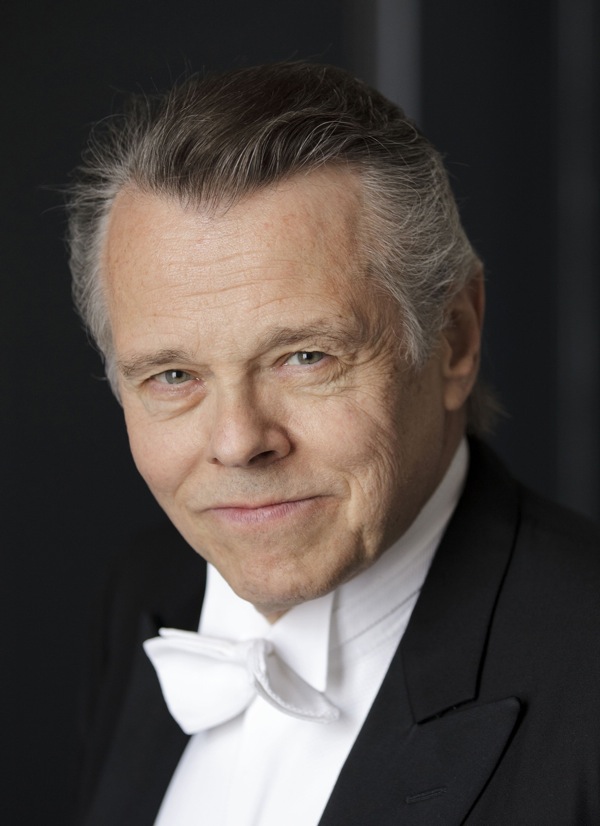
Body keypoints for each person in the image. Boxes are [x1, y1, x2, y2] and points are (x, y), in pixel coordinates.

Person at [68, 62, 600, 825]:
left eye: (305, 357)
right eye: (174, 375)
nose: (238, 442)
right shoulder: (145, 592)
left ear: (454, 339)